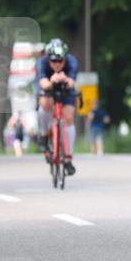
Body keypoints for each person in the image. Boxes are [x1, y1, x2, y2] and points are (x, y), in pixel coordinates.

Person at [35, 38, 79, 175]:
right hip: (48, 87)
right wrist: (52, 81)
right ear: (48, 59)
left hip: (65, 89)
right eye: (54, 61)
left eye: (60, 61)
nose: (57, 64)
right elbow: (43, 83)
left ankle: (68, 158)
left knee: (68, 117)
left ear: (65, 59)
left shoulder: (72, 62)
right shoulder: (42, 63)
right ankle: (43, 133)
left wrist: (65, 80)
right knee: (45, 104)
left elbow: (71, 82)